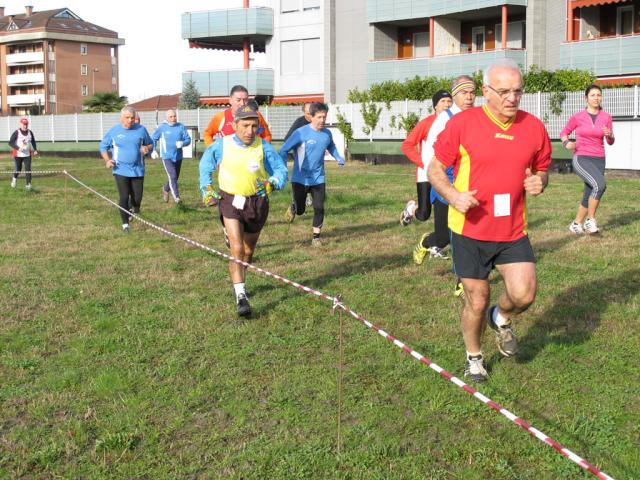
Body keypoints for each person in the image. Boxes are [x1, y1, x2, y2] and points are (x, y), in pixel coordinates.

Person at [428, 59, 552, 382]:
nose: (512, 98)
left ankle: (503, 316)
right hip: (470, 229)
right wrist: (453, 195)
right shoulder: (462, 124)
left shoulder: (534, 127)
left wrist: (541, 181)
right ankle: (474, 357)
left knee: (524, 294)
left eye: (518, 91)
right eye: (504, 92)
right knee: (477, 299)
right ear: (485, 92)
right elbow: (434, 170)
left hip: (512, 229)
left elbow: (542, 169)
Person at [199, 103, 287, 318]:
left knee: (248, 251)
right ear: (235, 125)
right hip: (230, 200)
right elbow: (205, 166)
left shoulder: (263, 147)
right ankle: (241, 296)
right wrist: (207, 189)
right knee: (237, 249)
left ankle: (240, 280)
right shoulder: (222, 145)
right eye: (245, 125)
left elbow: (281, 170)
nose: (250, 131)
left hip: (257, 204)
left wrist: (272, 183)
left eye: (254, 126)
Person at [413, 77, 476, 268]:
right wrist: (435, 181)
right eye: (464, 93)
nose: (469, 97)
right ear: (455, 95)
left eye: (472, 93)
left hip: (469, 181)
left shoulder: (477, 116)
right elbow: (430, 155)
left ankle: (462, 281)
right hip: (446, 183)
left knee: (465, 234)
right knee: (443, 238)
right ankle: (425, 243)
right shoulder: (444, 119)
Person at [279, 102, 345, 246]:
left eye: (324, 117)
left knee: (319, 207)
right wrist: (283, 167)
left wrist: (338, 157)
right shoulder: (301, 132)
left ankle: (316, 238)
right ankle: (295, 207)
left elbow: (331, 146)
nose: (322, 120)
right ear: (312, 117)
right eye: (319, 117)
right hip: (300, 179)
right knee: (302, 210)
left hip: (318, 178)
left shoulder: (327, 134)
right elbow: (283, 149)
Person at [560, 84, 614, 235]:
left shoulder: (606, 117)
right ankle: (590, 220)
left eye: (599, 95)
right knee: (600, 185)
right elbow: (564, 132)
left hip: (599, 158)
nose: (596, 98)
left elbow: (610, 141)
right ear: (586, 98)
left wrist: (609, 134)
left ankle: (576, 224)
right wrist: (567, 143)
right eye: (593, 95)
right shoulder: (578, 116)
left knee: (589, 191)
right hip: (582, 157)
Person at [399, 90, 452, 226]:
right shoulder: (426, 123)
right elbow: (407, 145)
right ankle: (411, 209)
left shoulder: (455, 121)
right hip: (426, 173)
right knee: (423, 215)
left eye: (449, 101)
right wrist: (423, 164)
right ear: (435, 105)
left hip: (447, 172)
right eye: (443, 101)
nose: (447, 104)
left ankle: (440, 239)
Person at [100, 106, 154, 233]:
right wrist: (107, 160)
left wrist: (147, 148)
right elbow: (103, 146)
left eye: (132, 118)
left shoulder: (141, 130)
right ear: (121, 118)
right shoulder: (114, 131)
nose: (130, 120)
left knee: (137, 199)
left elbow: (151, 143)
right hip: (120, 169)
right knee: (124, 196)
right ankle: (125, 225)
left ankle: (132, 207)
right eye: (127, 118)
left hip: (138, 169)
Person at [203, 85, 272, 146]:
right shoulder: (220, 117)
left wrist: (264, 150)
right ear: (230, 100)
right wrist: (212, 149)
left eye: (245, 100)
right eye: (238, 100)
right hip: (229, 159)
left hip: (252, 158)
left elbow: (266, 135)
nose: (242, 103)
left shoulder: (257, 116)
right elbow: (207, 134)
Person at [152, 109, 192, 204]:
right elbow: (154, 138)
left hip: (178, 157)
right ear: (167, 118)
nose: (173, 118)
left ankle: (165, 189)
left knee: (175, 177)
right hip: (167, 157)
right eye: (171, 117)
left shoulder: (181, 126)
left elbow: (188, 139)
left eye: (174, 116)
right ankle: (177, 198)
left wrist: (182, 143)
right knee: (172, 176)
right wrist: (153, 150)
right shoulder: (162, 127)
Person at [9, 117, 38, 190]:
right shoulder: (17, 132)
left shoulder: (30, 132)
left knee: (28, 169)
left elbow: (33, 141)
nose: (25, 126)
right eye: (24, 124)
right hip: (18, 154)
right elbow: (10, 143)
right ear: (20, 124)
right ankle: (14, 178)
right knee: (18, 169)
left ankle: (28, 185)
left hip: (27, 154)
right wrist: (18, 148)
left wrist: (35, 149)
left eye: (26, 124)